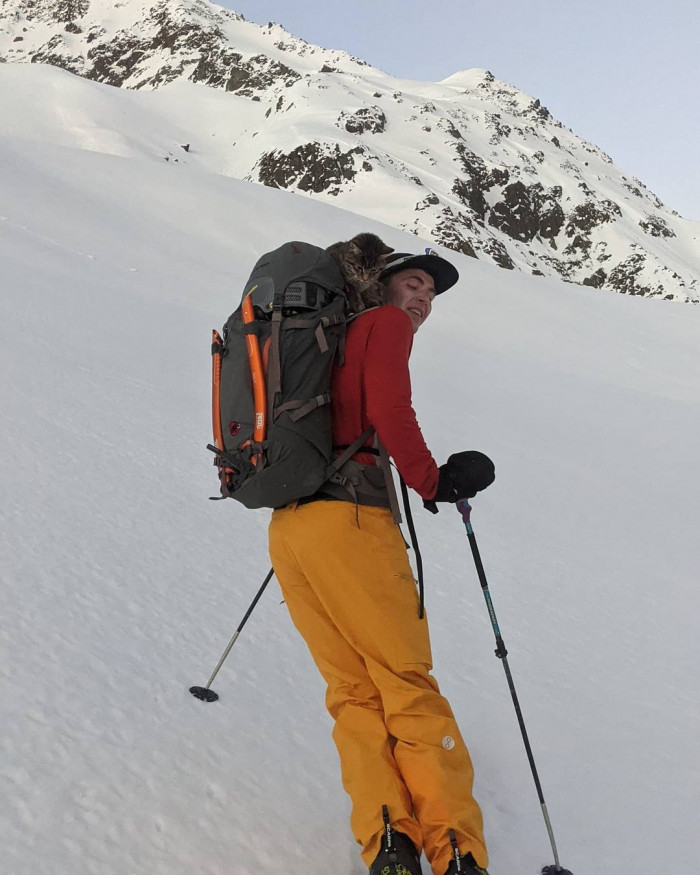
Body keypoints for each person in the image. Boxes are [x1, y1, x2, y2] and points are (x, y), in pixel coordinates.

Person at [268, 250, 495, 875]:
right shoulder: (383, 325)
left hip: (292, 526)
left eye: (430, 293)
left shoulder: (327, 340)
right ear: (379, 286)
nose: (421, 299)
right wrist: (434, 483)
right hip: (353, 522)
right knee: (406, 687)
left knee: (352, 691)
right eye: (411, 283)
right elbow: (393, 410)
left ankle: (388, 841)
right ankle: (455, 852)